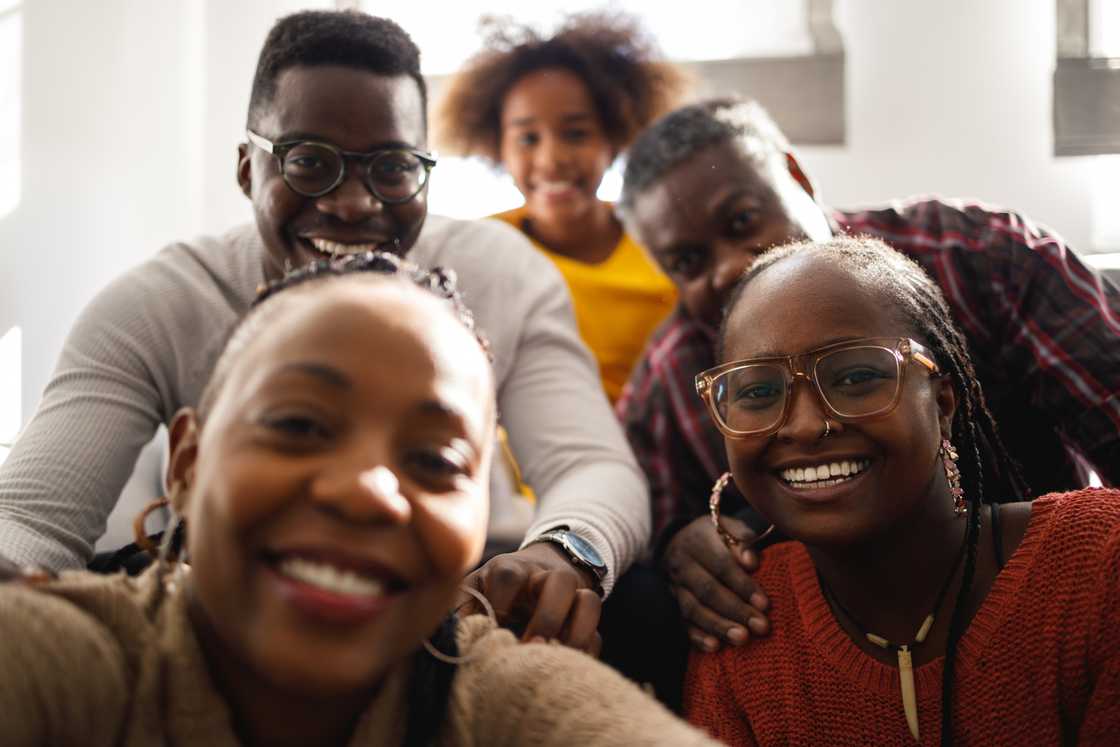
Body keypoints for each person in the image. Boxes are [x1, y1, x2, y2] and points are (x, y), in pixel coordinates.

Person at [0, 10, 650, 649]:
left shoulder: (501, 277)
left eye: (392, 167)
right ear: (247, 169)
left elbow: (590, 463)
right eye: (309, 161)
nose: (353, 202)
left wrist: (564, 551)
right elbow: (31, 517)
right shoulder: (162, 304)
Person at [0, 254, 718, 747]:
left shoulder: (503, 700)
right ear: (186, 461)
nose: (369, 490)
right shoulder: (73, 658)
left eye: (435, 460)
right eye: (299, 424)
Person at [615, 96, 1120, 655]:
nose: (731, 265)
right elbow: (646, 528)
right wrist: (681, 545)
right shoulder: (672, 378)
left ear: (795, 175)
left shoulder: (975, 256)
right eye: (688, 263)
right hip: (840, 662)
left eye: (742, 221)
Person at [683, 236, 1119, 745]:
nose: (803, 426)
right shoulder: (739, 624)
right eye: (758, 391)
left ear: (942, 401)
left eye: (855, 376)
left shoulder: (1099, 563)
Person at [434, 12, 687, 401]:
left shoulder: (665, 244)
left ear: (614, 138)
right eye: (528, 138)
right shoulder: (474, 253)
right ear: (497, 146)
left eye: (575, 134)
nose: (551, 158)